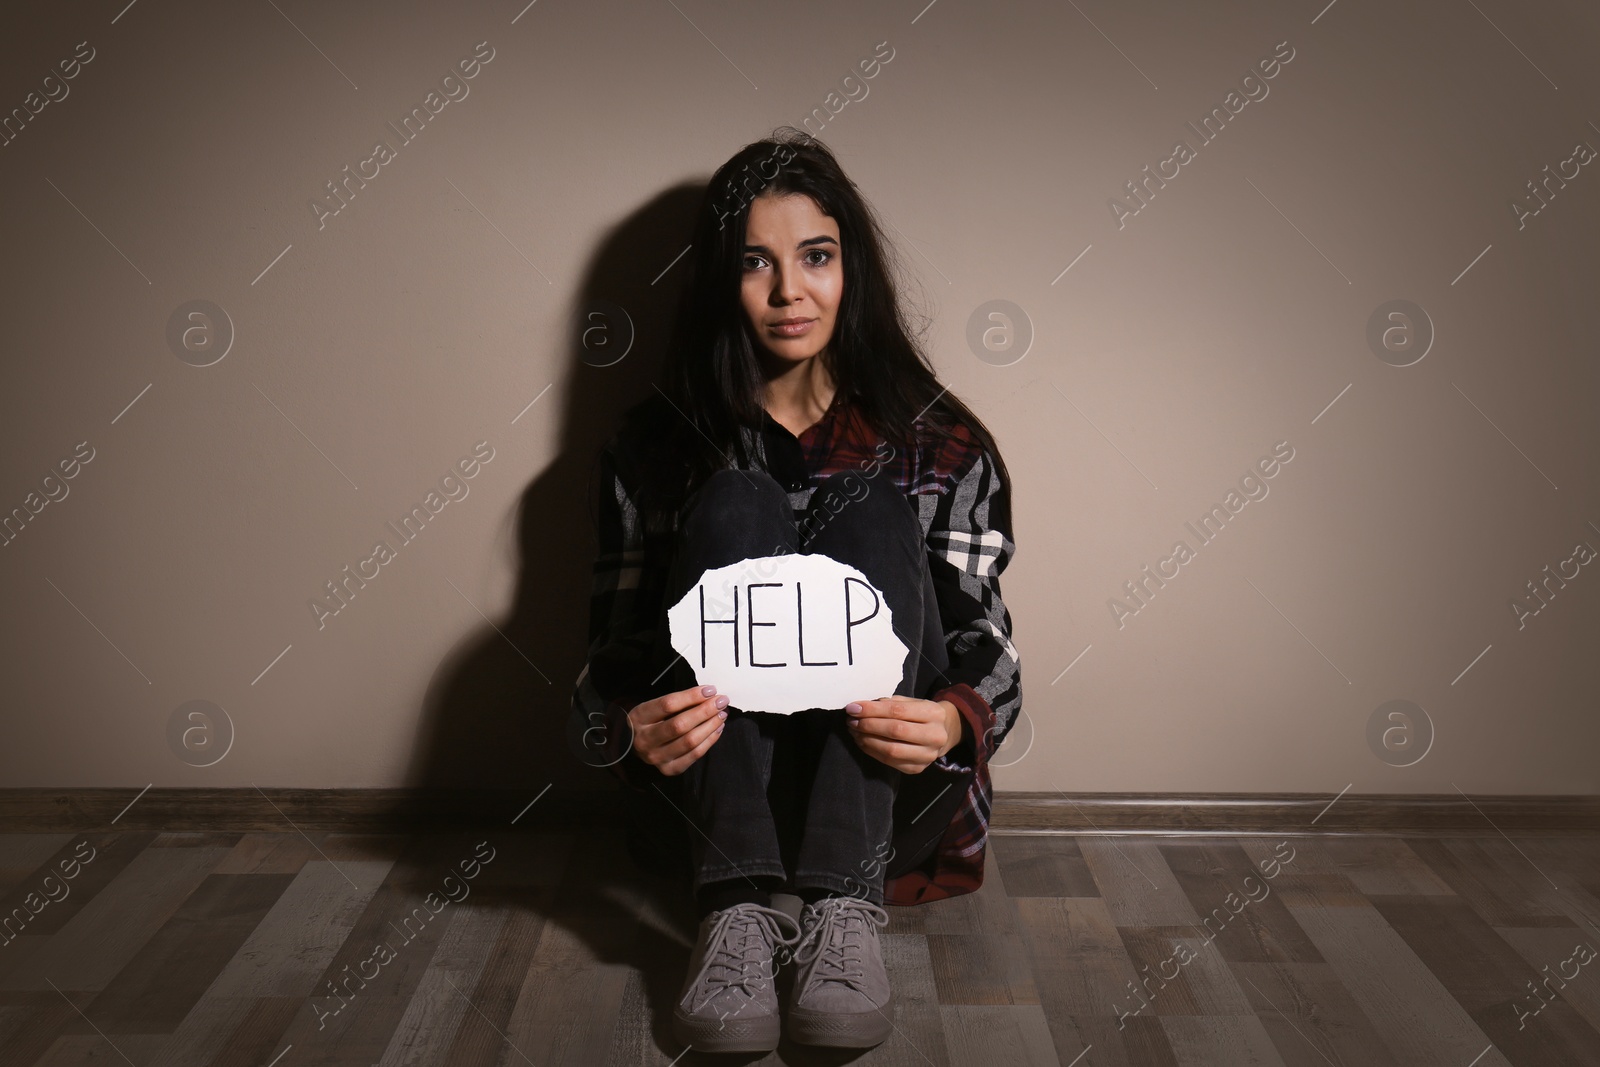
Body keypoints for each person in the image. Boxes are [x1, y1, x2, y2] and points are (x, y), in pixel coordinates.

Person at [568, 128, 1022, 1053]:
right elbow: (605, 660)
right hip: (710, 808)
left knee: (869, 510)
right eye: (756, 264)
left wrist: (952, 722)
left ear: (850, 267)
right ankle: (736, 907)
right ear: (720, 284)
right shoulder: (653, 448)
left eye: (816, 256)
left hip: (884, 800)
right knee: (736, 500)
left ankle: (842, 910)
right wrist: (626, 727)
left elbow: (993, 650)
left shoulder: (942, 443)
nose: (789, 292)